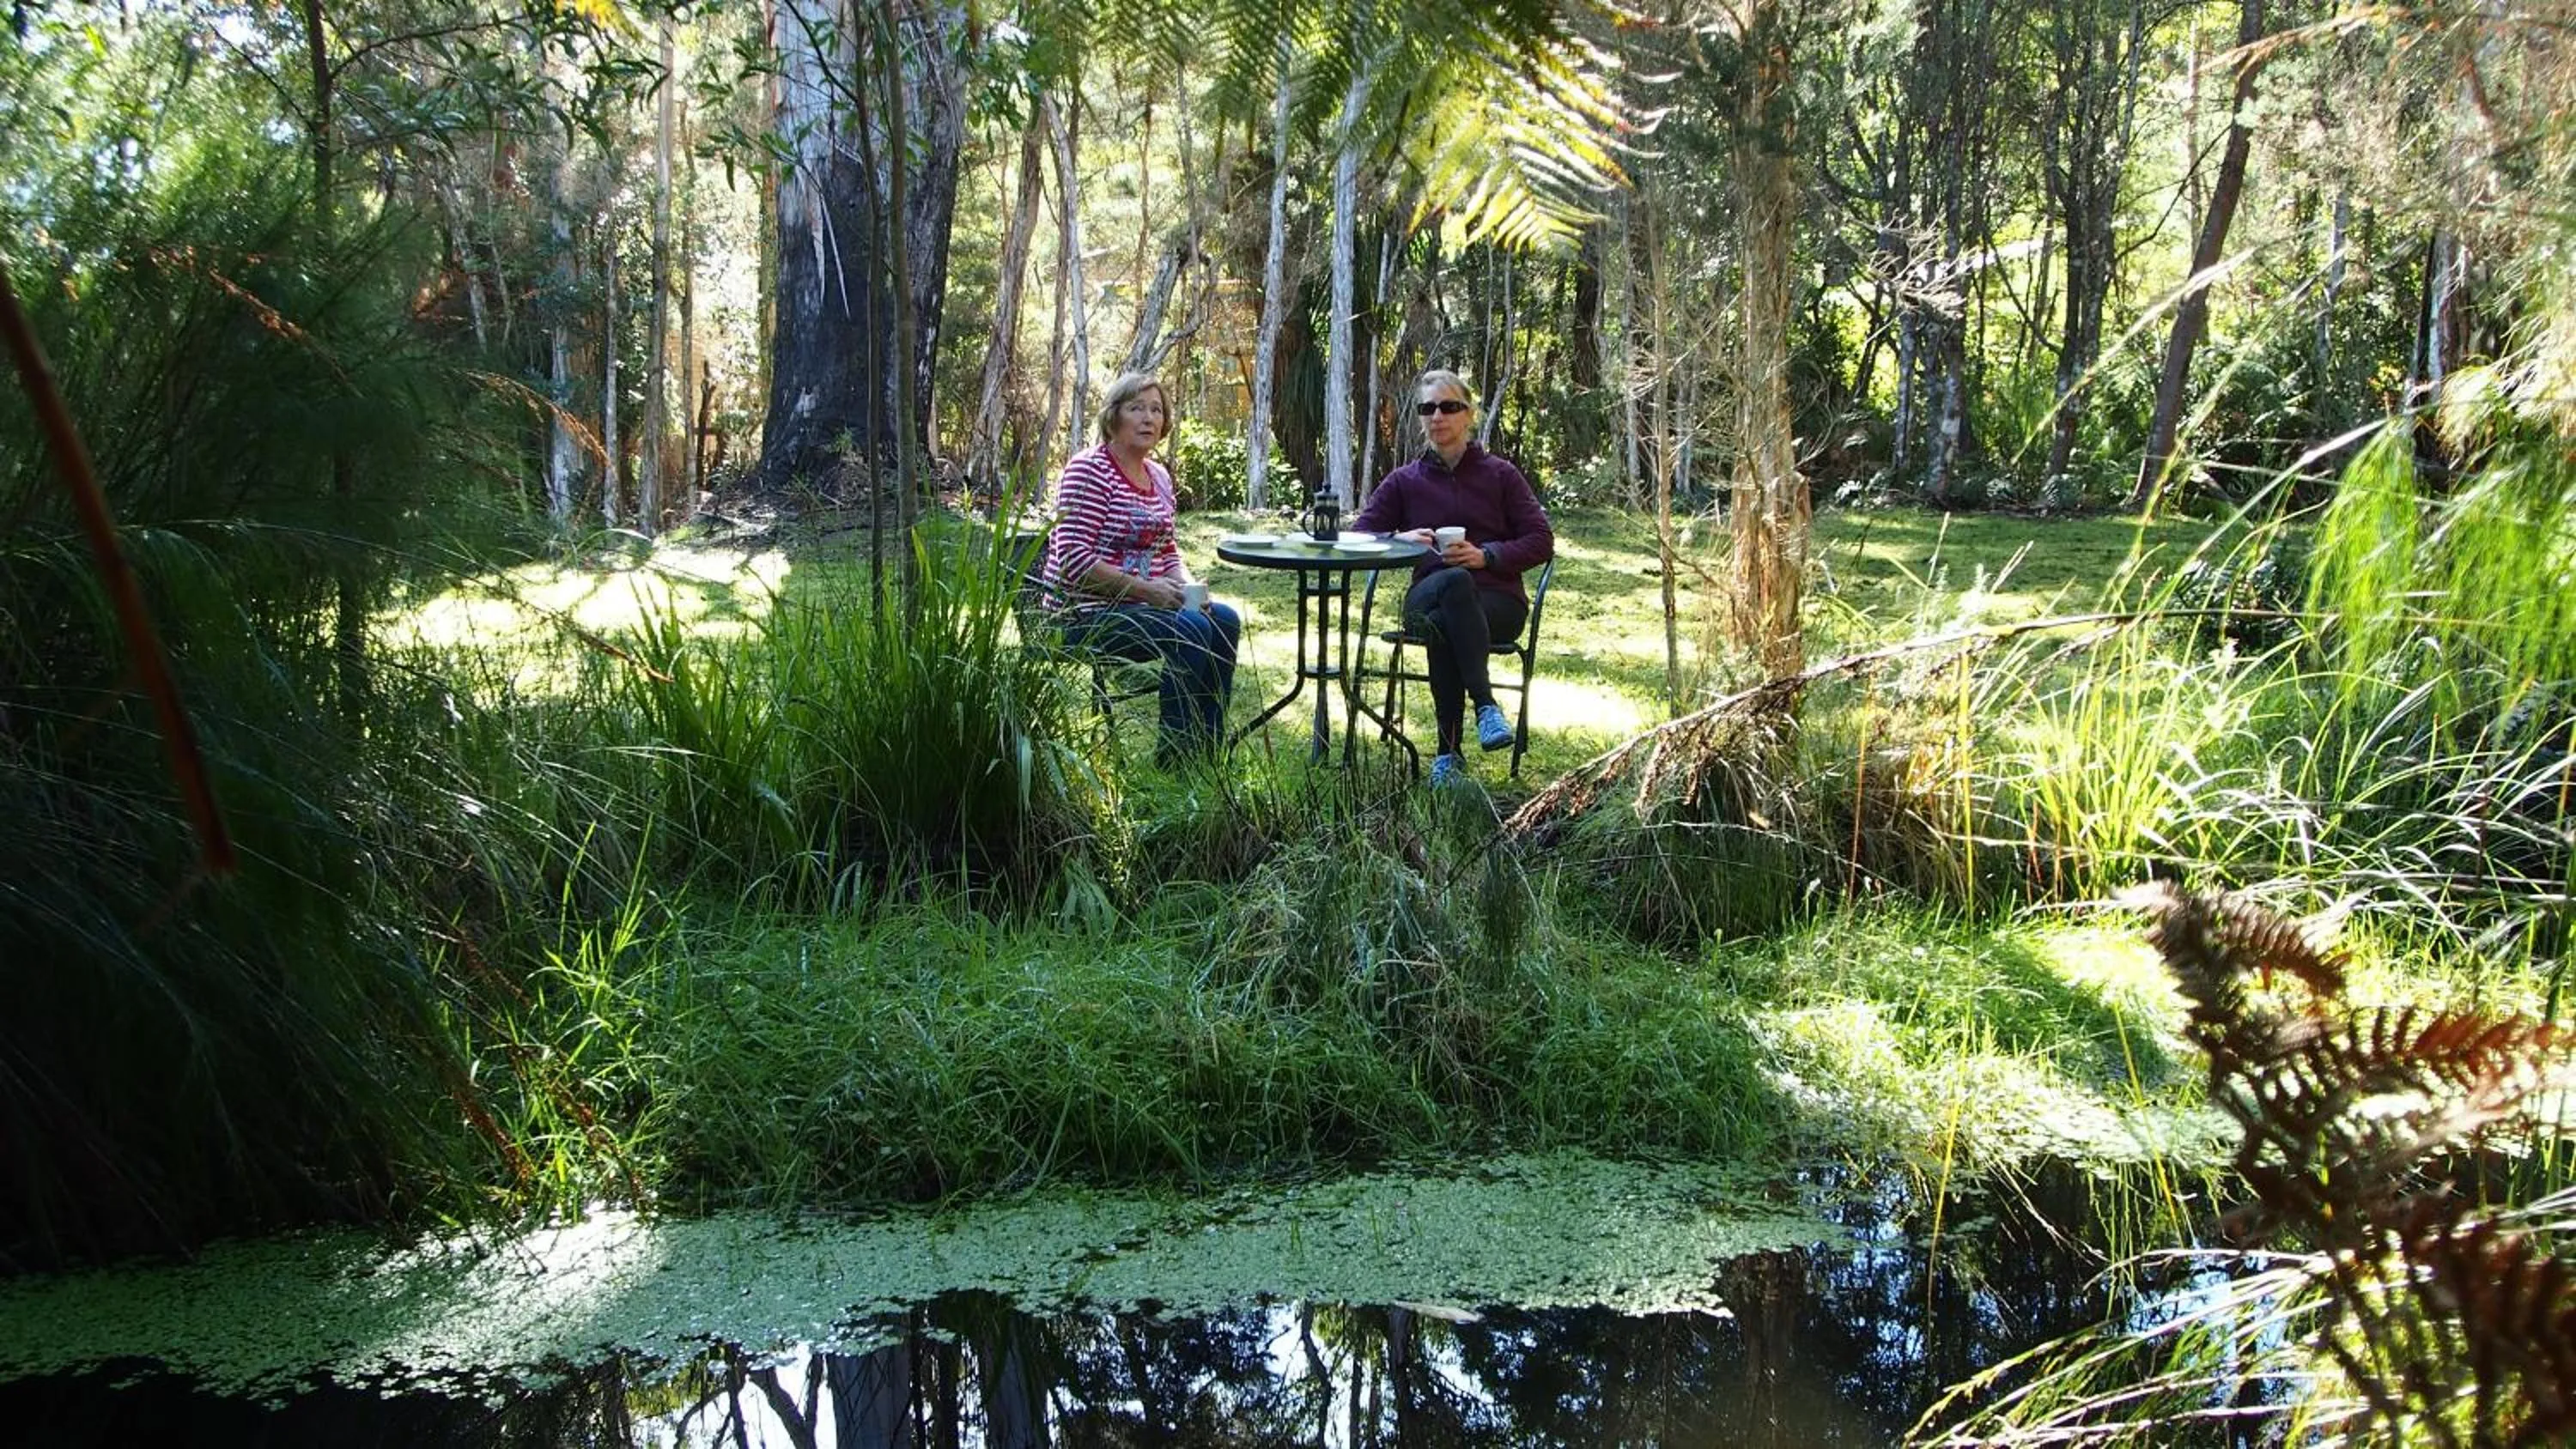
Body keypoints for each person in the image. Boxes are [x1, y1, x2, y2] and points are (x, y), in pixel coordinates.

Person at [1351, 369, 1554, 787]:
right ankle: (1486, 707)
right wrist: (1398, 539)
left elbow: (1541, 540)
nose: (1437, 416)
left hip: (1497, 601)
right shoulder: (1404, 481)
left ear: (1469, 415)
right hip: (1425, 597)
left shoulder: (1501, 475)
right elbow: (1357, 538)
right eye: (1428, 409)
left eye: (1448, 407)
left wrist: (1487, 555)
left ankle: (1448, 756)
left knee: (1450, 612)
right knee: (1451, 585)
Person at [1040, 371, 1242, 763]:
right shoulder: (1088, 470)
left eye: (1156, 410)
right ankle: (1175, 757)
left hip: (1138, 606)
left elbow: (1166, 549)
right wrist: (1146, 590)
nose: (1149, 418)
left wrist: (1185, 587)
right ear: (1114, 417)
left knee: (1224, 619)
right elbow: (1074, 560)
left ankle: (1208, 748)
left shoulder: (1160, 477)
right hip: (1082, 616)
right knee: (1191, 628)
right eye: (1136, 408)